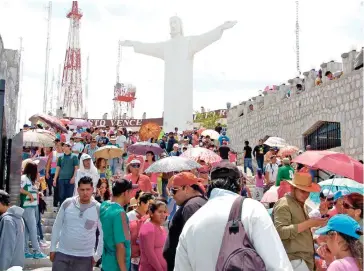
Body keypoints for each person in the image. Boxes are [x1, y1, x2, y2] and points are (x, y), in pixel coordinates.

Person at [174, 161, 292, 271]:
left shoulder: (192, 223)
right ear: (239, 184)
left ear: (210, 185)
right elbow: (278, 264)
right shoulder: (252, 209)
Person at [273, 172, 327, 271]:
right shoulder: (284, 204)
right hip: (295, 260)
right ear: (293, 188)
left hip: (305, 260)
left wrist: (321, 214)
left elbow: (304, 230)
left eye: (308, 191)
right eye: (302, 191)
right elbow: (280, 232)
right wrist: (309, 224)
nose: (306, 195)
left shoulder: (302, 204)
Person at [50, 176, 103, 271]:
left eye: (88, 189)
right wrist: (53, 248)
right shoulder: (68, 203)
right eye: (82, 189)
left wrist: (97, 255)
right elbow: (57, 226)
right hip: (63, 253)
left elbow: (103, 233)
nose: (85, 192)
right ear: (77, 190)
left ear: (93, 190)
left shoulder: (98, 208)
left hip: (85, 257)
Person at [163, 172, 207, 271]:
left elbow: (195, 241)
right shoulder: (195, 203)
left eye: (174, 190)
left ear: (186, 188)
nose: (171, 195)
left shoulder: (192, 206)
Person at [100, 179, 137, 271]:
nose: (131, 194)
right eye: (130, 191)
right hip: (116, 267)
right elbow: (120, 246)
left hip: (106, 264)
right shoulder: (120, 214)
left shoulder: (104, 205)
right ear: (125, 193)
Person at [20, 162, 47, 259]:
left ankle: (25, 251)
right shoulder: (24, 178)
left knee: (27, 231)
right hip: (27, 207)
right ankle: (36, 251)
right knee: (32, 229)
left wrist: (36, 192)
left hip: (31, 207)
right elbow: (20, 189)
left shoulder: (29, 179)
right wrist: (30, 194)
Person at [139, 201, 168, 271]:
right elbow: (150, 254)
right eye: (160, 212)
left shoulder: (162, 228)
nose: (163, 215)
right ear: (151, 213)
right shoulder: (148, 227)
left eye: (164, 212)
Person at [0, 190, 25, 270]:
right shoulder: (18, 218)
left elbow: (6, 248)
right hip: (17, 265)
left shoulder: (8, 220)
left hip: (8, 267)